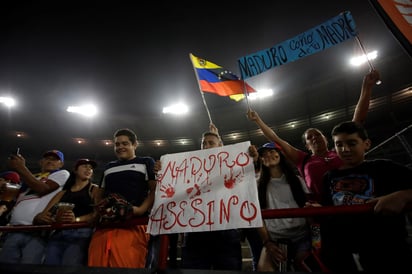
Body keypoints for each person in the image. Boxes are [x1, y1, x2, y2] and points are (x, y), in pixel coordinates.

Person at [247, 69, 380, 202]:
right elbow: (276, 139)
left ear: (326, 140)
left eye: (317, 134)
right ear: (307, 146)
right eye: (310, 137)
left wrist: (367, 88)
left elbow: (357, 122)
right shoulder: (303, 160)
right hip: (324, 214)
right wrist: (258, 121)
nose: (314, 137)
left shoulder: (341, 152)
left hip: (354, 204)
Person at [313, 121, 412, 272]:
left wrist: (404, 195)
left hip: (387, 250)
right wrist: (319, 211)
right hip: (346, 253)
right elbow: (329, 212)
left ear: (366, 144)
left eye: (352, 143)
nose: (345, 149)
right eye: (339, 145)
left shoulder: (384, 167)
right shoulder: (329, 177)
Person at [87, 128, 156, 268]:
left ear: (135, 144)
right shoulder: (108, 166)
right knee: (95, 267)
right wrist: (97, 211)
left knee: (126, 267)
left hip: (133, 225)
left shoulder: (146, 162)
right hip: (104, 226)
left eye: (125, 143)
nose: (120, 147)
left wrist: (140, 210)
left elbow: (155, 189)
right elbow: (100, 193)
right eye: (117, 144)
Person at [178, 125, 243, 271]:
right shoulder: (189, 166)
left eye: (211, 143)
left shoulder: (230, 164)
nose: (206, 146)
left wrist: (252, 155)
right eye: (203, 143)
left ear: (220, 146)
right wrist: (161, 169)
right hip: (196, 230)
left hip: (225, 229)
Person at [0, 150, 70, 264]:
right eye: (47, 158)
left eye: (55, 159)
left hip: (36, 232)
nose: (50, 161)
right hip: (14, 229)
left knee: (29, 268)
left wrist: (21, 168)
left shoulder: (62, 173)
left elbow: (43, 189)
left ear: (61, 164)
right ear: (41, 162)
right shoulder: (31, 178)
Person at [250, 142, 311, 272]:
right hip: (275, 240)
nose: (268, 155)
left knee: (305, 266)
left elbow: (308, 208)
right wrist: (267, 242)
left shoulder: (297, 180)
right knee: (264, 269)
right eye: (264, 154)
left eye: (272, 151)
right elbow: (257, 217)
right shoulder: (256, 184)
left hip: (302, 237)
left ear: (280, 155)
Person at [32, 158, 99, 265]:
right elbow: (43, 214)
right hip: (59, 233)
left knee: (69, 267)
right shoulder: (62, 193)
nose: (88, 169)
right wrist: (44, 218)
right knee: (50, 267)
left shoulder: (94, 189)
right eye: (84, 166)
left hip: (81, 234)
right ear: (75, 170)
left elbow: (97, 215)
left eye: (90, 168)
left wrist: (76, 219)